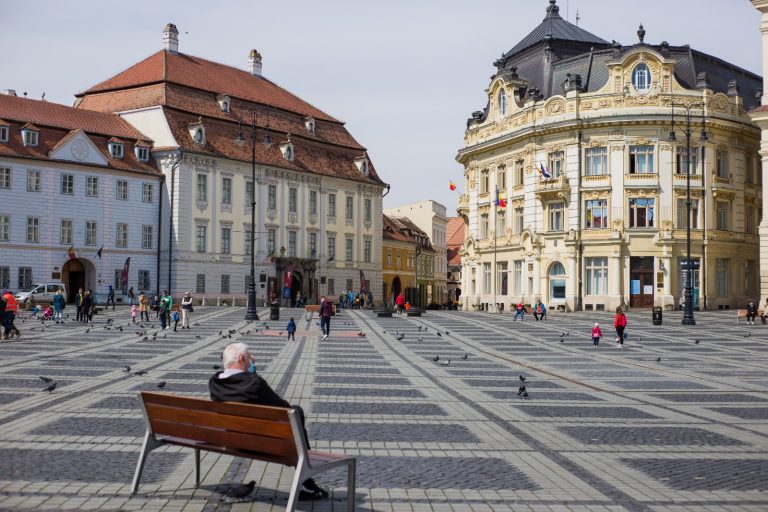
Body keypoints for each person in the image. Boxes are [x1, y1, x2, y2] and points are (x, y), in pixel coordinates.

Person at [209, 343, 329, 500]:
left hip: (233, 441)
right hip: (261, 446)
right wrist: (254, 376)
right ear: (241, 358)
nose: (254, 359)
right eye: (251, 356)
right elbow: (285, 410)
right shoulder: (254, 384)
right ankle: (306, 475)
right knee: (296, 411)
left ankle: (307, 479)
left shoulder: (215, 383)